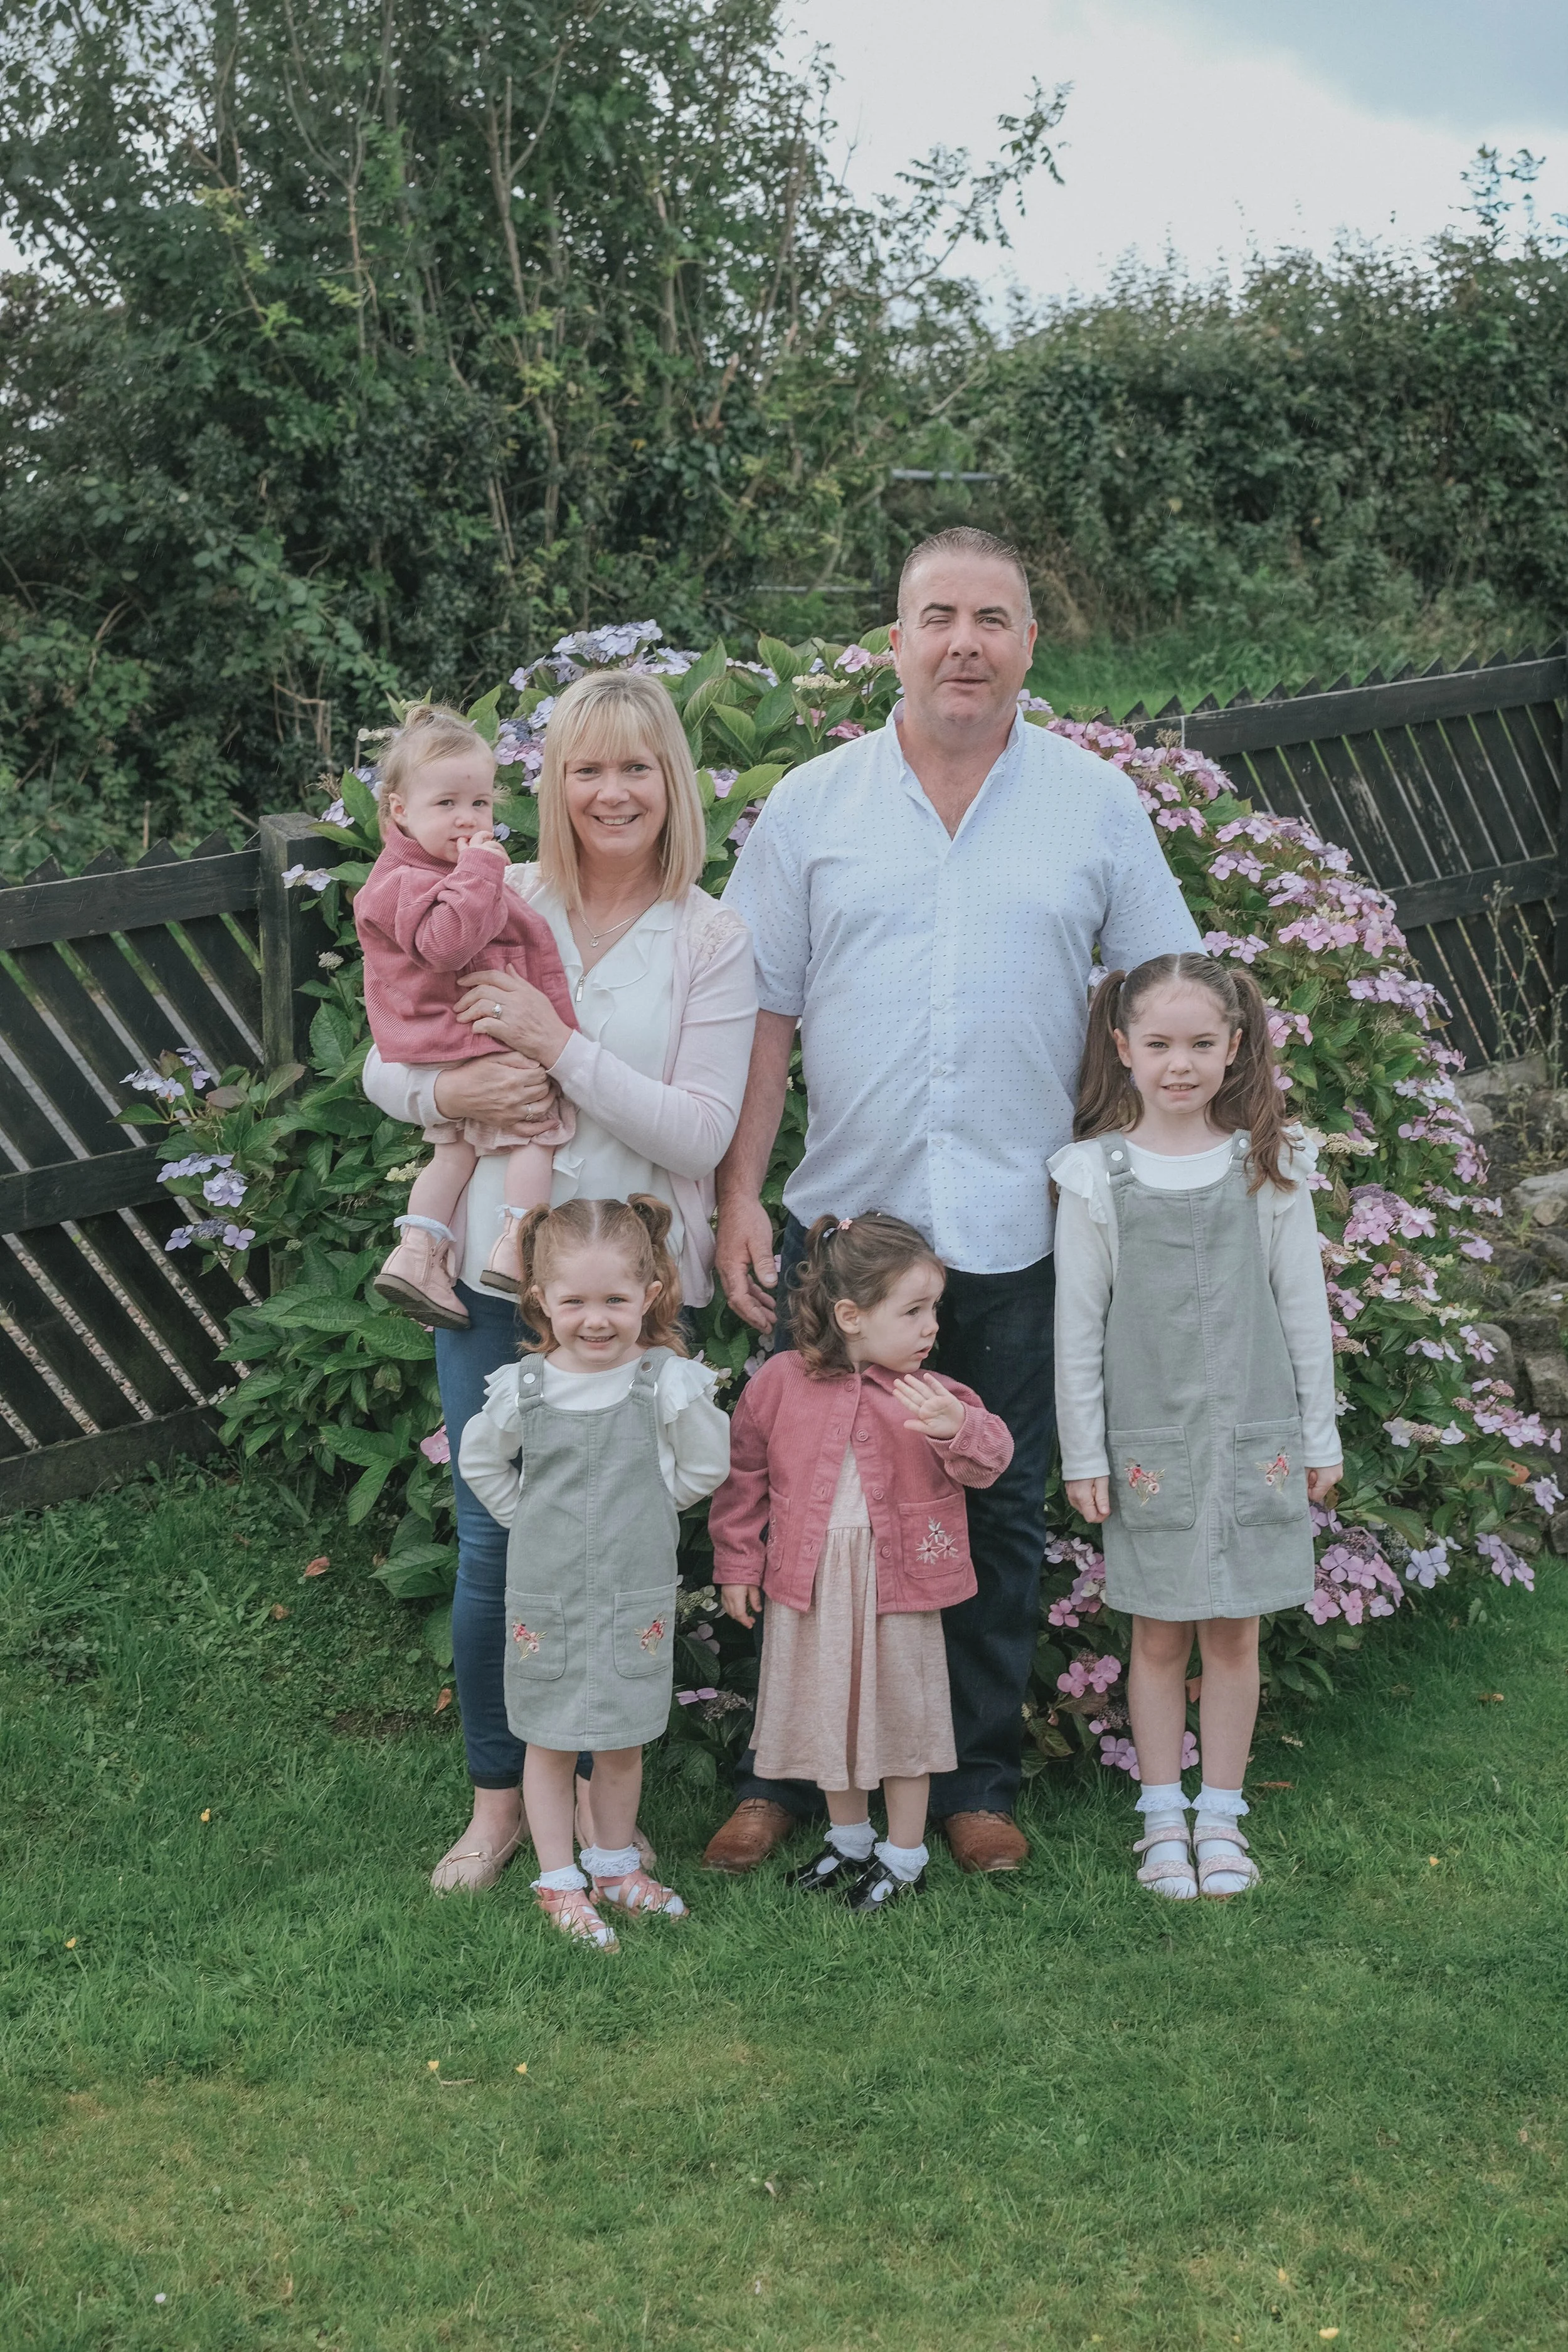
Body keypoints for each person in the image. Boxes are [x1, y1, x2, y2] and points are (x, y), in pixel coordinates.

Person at [709, 525, 1202, 1877]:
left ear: (1030, 644)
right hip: (839, 1244)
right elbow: (760, 1015)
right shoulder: (811, 805)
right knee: (794, 1500)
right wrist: (737, 1195)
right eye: (938, 616)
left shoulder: (1094, 806)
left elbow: (1170, 995)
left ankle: (972, 1777)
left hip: (1015, 1234)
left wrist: (1155, 1186)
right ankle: (780, 1778)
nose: (964, 644)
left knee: (991, 1509)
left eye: (992, 619)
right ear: (895, 640)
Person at [362, 670, 757, 1894]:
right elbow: (391, 1060)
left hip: (625, 1299)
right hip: (495, 1277)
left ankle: (599, 1810)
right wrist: (447, 1097)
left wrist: (554, 1046)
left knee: (620, 1552)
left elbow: (698, 1132)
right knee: (498, 1542)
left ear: (671, 784)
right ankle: (496, 1804)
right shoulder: (495, 891)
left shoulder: (707, 934)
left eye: (636, 767)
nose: (611, 791)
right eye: (586, 767)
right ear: (553, 785)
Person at [1049, 952, 1341, 1899]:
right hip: (1150, 1446)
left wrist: (1319, 1437)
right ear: (1124, 1048)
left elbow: (1303, 1310)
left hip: (1254, 1437)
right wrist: (1085, 1451)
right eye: (1162, 1043)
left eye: (1203, 1043)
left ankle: (1223, 1815)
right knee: (1160, 1633)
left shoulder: (1270, 1164)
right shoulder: (1097, 1174)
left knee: (1235, 1632)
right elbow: (1078, 1326)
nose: (1182, 1063)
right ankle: (1161, 1817)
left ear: (1236, 1045)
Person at [709, 1213, 1013, 1914]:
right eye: (913, 1311)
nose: (932, 1325)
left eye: (933, 1307)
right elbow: (742, 1475)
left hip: (896, 1588)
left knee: (901, 1721)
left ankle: (904, 1857)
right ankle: (848, 1841)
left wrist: (957, 1428)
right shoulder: (780, 1382)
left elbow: (992, 1460)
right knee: (826, 1716)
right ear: (850, 1315)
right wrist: (736, 1564)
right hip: (808, 1584)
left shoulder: (929, 1393)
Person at [458, 1197, 731, 1949]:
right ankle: (558, 1881)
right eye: (574, 1302)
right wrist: (529, 1517)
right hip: (543, 1591)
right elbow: (479, 1458)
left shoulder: (664, 1382)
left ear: (648, 1297)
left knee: (621, 1736)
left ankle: (613, 1866)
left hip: (629, 1590)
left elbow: (707, 1463)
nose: (597, 1319)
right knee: (547, 1736)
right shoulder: (528, 1386)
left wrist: (647, 1507)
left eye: (616, 1300)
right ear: (541, 1301)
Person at [352, 703, 579, 1325]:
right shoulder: (404, 880)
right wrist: (483, 869)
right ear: (398, 809)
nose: (468, 820)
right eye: (447, 804)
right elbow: (445, 944)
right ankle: (518, 1246)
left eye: (480, 804)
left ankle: (417, 1253)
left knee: (451, 1153)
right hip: (463, 1031)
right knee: (537, 1124)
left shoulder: (431, 870)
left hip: (445, 1036)